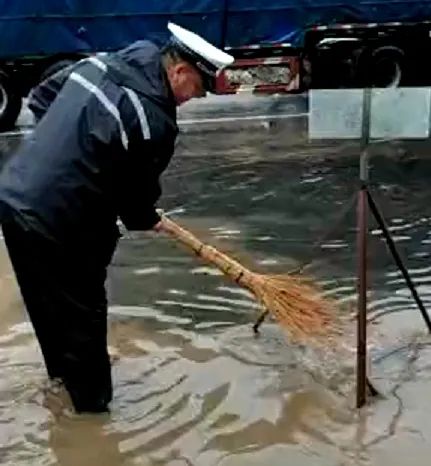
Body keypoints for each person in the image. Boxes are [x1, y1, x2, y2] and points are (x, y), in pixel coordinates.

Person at [0, 22, 234, 413]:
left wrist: (59, 150)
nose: (194, 98)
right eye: (196, 87)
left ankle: (61, 380)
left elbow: (42, 96)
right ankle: (93, 420)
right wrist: (145, 216)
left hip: (14, 197)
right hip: (62, 222)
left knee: (47, 304)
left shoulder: (102, 64)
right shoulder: (155, 120)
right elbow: (136, 200)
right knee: (85, 317)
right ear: (178, 71)